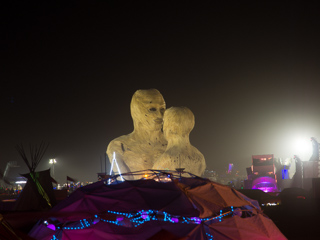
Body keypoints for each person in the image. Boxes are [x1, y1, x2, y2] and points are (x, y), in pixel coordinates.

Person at [106, 89, 167, 179]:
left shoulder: (171, 144)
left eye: (162, 109)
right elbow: (127, 185)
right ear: (137, 111)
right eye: (152, 109)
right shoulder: (118, 146)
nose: (160, 115)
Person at [153, 106, 206, 176]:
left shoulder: (168, 157)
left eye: (164, 122)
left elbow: (151, 178)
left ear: (171, 126)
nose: (163, 127)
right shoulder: (200, 156)